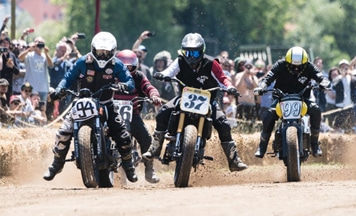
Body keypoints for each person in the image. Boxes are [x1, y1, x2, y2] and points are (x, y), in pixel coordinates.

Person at [142, 33, 248, 172]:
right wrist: (163, 75)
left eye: (195, 53)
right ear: (183, 51)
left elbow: (223, 79)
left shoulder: (211, 63)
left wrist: (230, 87)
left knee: (223, 124)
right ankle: (155, 148)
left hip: (208, 100)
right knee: (162, 112)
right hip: (184, 98)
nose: (192, 56)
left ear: (202, 51)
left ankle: (234, 160)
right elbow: (170, 71)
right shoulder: (180, 61)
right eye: (188, 52)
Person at [43, 31, 138, 182]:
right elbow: (68, 78)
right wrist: (60, 90)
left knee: (123, 135)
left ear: (113, 52)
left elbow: (130, 81)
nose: (102, 56)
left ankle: (128, 167)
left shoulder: (117, 64)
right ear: (93, 49)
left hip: (106, 103)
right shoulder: (82, 62)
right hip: (82, 102)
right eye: (99, 52)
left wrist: (124, 85)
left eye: (106, 53)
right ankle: (57, 163)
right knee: (63, 131)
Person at [254, 46, 328, 158]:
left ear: (305, 63)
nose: (296, 69)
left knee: (316, 110)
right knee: (269, 115)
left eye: (300, 66)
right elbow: (267, 78)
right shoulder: (280, 64)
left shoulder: (309, 66)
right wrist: (262, 86)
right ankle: (262, 146)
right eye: (293, 66)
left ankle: (314, 145)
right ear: (287, 62)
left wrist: (324, 83)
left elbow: (321, 77)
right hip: (281, 98)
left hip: (302, 98)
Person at [114, 49, 162, 183]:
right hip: (112, 114)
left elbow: (148, 87)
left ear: (136, 66)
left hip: (132, 115)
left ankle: (149, 169)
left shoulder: (139, 76)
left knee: (146, 138)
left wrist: (154, 95)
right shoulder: (111, 75)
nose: (127, 69)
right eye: (123, 66)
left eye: (130, 66)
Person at [18, 36, 53, 109]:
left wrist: (46, 53)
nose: (39, 44)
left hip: (43, 87)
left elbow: (51, 65)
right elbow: (20, 58)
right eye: (38, 42)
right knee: (31, 107)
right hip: (31, 87)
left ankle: (42, 120)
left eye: (41, 43)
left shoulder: (44, 56)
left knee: (42, 108)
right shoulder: (29, 55)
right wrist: (29, 49)